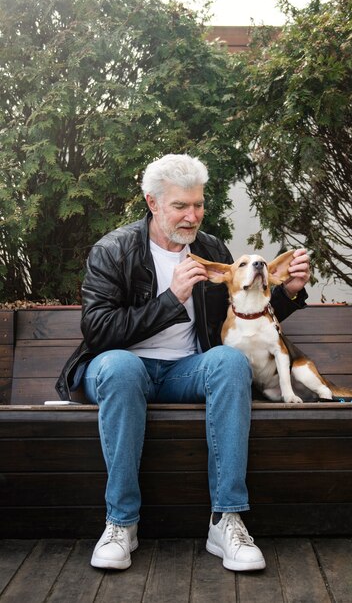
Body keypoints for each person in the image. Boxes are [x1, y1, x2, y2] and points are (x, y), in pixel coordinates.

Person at [56, 153, 310, 572]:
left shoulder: (211, 249)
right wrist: (170, 299)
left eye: (198, 205)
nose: (192, 216)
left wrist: (289, 292)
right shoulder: (114, 250)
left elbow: (245, 320)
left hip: (184, 372)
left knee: (228, 361)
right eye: (180, 206)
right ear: (152, 203)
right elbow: (98, 332)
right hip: (121, 368)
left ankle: (226, 520)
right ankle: (121, 524)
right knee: (121, 367)